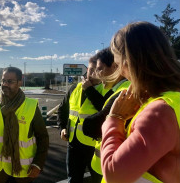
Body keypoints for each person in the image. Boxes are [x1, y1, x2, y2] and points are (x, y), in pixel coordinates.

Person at [101, 21, 180, 183]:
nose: (120, 72)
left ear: (128, 62)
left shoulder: (159, 112)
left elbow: (114, 175)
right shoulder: (173, 99)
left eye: (118, 64)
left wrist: (115, 118)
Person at [0, 67, 49, 183]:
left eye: (10, 81)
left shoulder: (31, 106)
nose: (5, 84)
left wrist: (38, 164)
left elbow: (42, 138)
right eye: (3, 81)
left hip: (23, 172)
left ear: (20, 82)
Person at [57, 54, 111, 183]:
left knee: (99, 179)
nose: (91, 74)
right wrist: (62, 128)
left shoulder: (107, 90)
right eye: (90, 70)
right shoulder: (74, 88)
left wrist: (89, 90)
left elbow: (105, 110)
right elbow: (62, 110)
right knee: (73, 179)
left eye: (96, 70)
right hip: (73, 145)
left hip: (94, 147)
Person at [82, 48, 130, 178]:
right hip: (106, 165)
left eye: (100, 68)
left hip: (113, 168)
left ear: (115, 67)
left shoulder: (124, 92)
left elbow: (92, 126)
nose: (96, 74)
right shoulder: (116, 90)